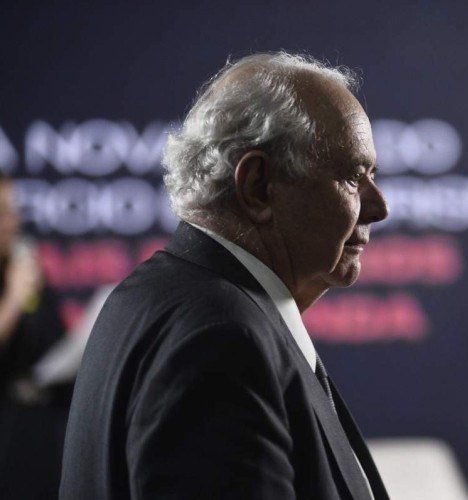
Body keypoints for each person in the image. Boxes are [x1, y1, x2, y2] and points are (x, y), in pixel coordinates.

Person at [60, 52, 390, 499]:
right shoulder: (223, 339)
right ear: (257, 186)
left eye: (372, 175)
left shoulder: (156, 295)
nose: (379, 207)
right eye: (352, 176)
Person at [0, 173, 71, 499]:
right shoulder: (17, 283)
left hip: (39, 431)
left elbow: (56, 340)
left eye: (13, 211)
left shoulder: (24, 267)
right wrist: (14, 299)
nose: (11, 223)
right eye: (2, 213)